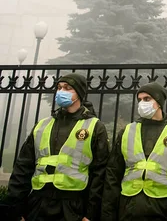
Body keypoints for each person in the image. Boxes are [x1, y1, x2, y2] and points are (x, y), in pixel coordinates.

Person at [7, 73, 109, 221]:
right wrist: (16, 209)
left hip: (73, 207)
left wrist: (91, 214)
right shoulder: (42, 125)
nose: (61, 91)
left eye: (68, 88)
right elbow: (23, 168)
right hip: (38, 204)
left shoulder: (94, 126)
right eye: (59, 87)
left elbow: (100, 173)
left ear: (79, 93)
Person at [102, 82, 167, 221]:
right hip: (128, 207)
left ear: (158, 102)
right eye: (139, 100)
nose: (142, 103)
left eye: (147, 99)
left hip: (163, 208)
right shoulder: (127, 131)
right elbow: (112, 175)